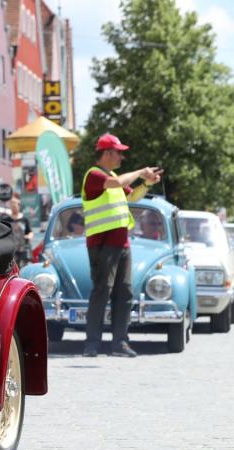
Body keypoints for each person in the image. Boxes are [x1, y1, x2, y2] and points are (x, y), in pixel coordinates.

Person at [81, 133, 162, 358]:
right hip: (102, 244)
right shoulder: (95, 175)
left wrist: (146, 183)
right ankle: (91, 344)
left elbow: (132, 197)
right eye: (119, 153)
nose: (121, 157)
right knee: (102, 291)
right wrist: (139, 172)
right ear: (107, 153)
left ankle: (119, 343)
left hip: (121, 243)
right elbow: (117, 183)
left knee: (124, 292)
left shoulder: (113, 176)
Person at [5, 197, 33, 264]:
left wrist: (29, 236)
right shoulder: (6, 220)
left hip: (23, 248)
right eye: (12, 205)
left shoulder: (24, 219)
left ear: (19, 206)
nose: (14, 207)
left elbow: (30, 232)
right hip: (12, 250)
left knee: (25, 266)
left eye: (15, 205)